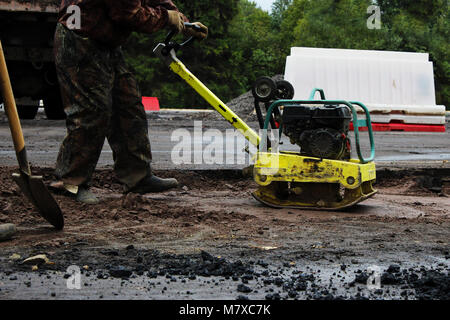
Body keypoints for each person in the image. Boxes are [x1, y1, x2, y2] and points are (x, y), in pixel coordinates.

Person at [53, 0, 208, 204]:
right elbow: (126, 13)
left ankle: (138, 176)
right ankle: (70, 181)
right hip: (80, 37)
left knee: (128, 106)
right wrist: (166, 18)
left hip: (105, 40)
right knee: (92, 111)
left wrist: (182, 22)